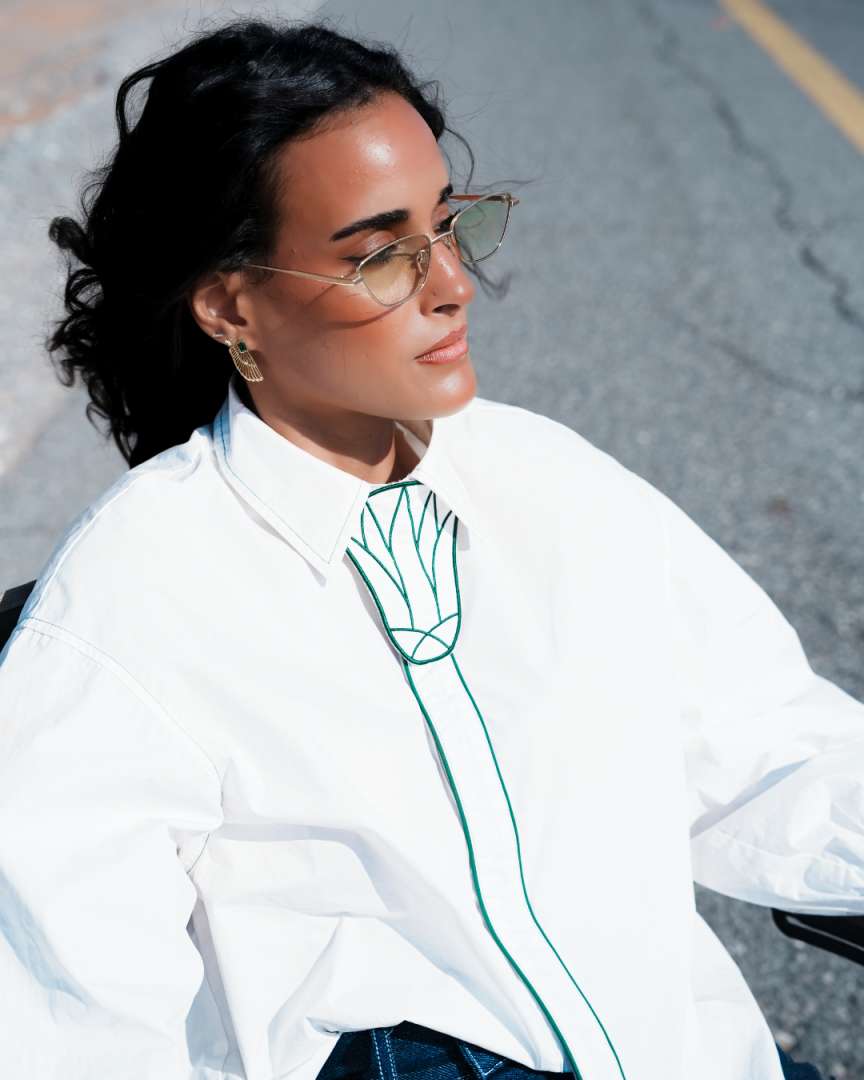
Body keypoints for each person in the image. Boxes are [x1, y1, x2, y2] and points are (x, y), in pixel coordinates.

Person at [0, 15, 858, 1080]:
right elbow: (76, 1030)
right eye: (379, 256)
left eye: (448, 226)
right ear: (230, 305)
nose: (450, 282)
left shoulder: (550, 481)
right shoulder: (126, 611)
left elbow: (771, 745)